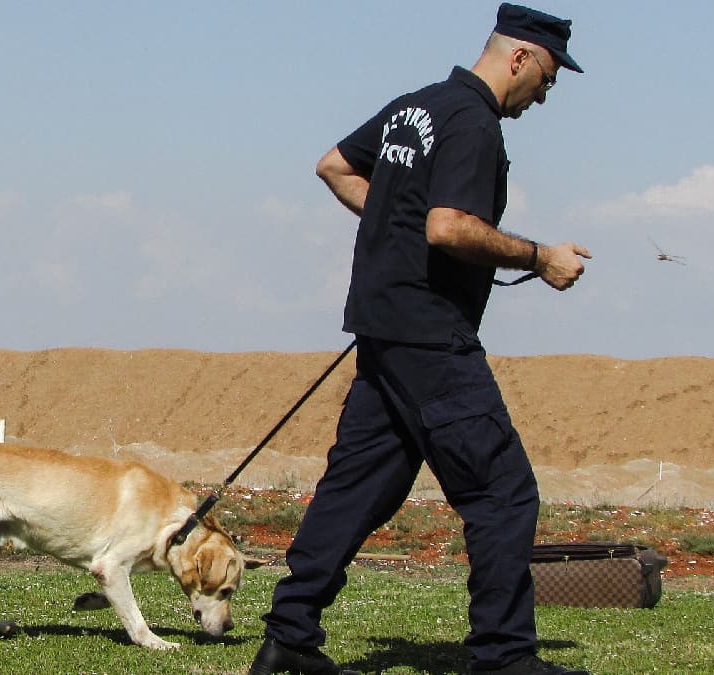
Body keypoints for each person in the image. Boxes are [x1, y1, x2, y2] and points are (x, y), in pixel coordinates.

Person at [248, 4, 592, 675]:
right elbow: (448, 225)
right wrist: (540, 256)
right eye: (548, 78)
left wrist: (394, 218)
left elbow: (335, 166)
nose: (545, 95)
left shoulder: (418, 106)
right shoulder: (474, 122)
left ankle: (289, 638)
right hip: (432, 338)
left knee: (358, 487)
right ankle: (504, 657)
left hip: (383, 328)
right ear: (520, 57)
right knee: (502, 493)